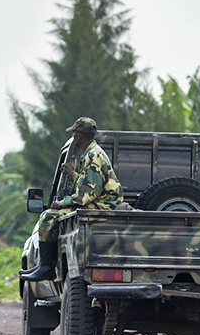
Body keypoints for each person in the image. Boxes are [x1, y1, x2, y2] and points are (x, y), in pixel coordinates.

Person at [20, 117, 123, 281]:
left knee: (48, 216)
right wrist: (72, 174)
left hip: (102, 205)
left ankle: (47, 268)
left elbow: (85, 196)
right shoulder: (91, 153)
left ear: (79, 136)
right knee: (52, 214)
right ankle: (44, 266)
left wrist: (61, 203)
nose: (74, 135)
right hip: (100, 202)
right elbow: (88, 183)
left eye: (75, 132)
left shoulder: (94, 156)